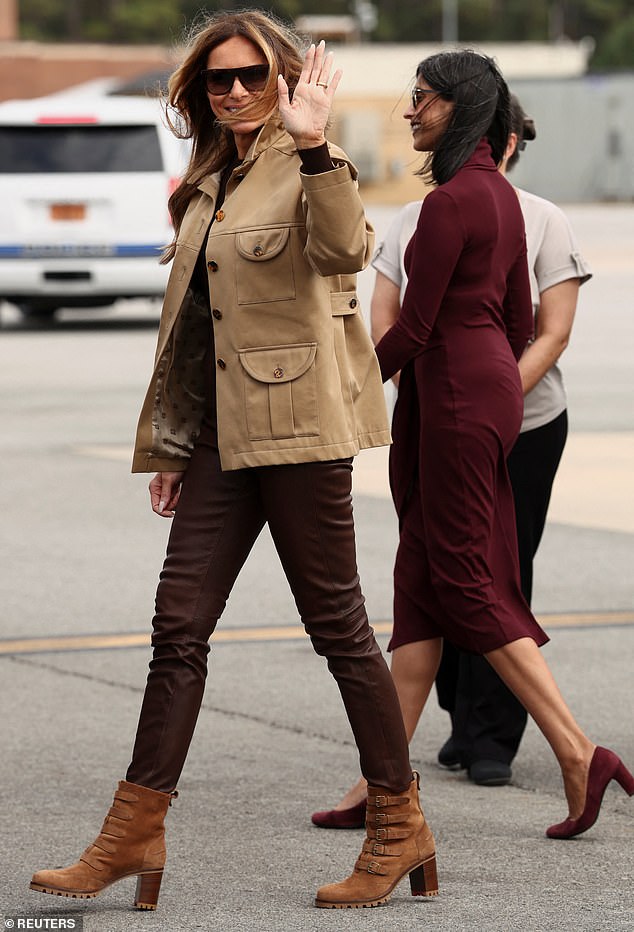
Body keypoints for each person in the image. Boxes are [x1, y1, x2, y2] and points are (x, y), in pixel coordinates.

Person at [29, 11, 438, 913]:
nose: (238, 90)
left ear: (283, 78)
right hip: (219, 440)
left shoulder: (307, 162)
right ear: (200, 92)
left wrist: (319, 143)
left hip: (298, 434)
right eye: (219, 79)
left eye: (253, 73)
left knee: (337, 627)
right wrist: (174, 446)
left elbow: (345, 251)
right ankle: (133, 830)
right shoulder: (210, 178)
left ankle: (399, 822)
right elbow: (190, 336)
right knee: (177, 627)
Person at [311, 49, 633, 840]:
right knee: (420, 589)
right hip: (480, 389)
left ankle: (576, 749)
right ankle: (378, 780)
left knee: (463, 579)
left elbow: (413, 327)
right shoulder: (499, 198)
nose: (409, 112)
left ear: (459, 106)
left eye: (419, 99)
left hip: (452, 393)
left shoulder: (451, 204)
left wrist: (345, 399)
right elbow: (520, 322)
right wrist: (485, 373)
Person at [434, 95, 593, 787]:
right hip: (443, 424)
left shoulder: (541, 218)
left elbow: (553, 331)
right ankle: (459, 714)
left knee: (504, 569)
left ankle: (493, 734)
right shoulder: (426, 215)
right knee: (442, 571)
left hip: (526, 423)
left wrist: (494, 402)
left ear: (501, 144)